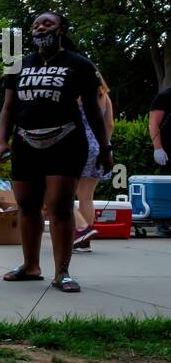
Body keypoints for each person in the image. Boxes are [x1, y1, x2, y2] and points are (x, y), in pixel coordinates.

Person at [0, 12, 112, 292]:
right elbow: (8, 107)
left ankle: (62, 273)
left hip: (66, 141)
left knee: (60, 207)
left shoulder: (79, 65)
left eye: (47, 23)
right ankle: (30, 266)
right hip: (25, 142)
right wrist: (2, 141)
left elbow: (95, 111)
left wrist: (105, 146)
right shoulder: (18, 65)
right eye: (36, 24)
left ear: (62, 29)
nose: (40, 27)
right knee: (27, 206)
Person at [73, 70, 114, 251]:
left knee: (61, 194)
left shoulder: (77, 96)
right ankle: (85, 241)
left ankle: (81, 231)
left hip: (78, 145)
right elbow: (110, 124)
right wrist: (104, 145)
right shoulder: (105, 97)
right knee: (87, 197)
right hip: (101, 146)